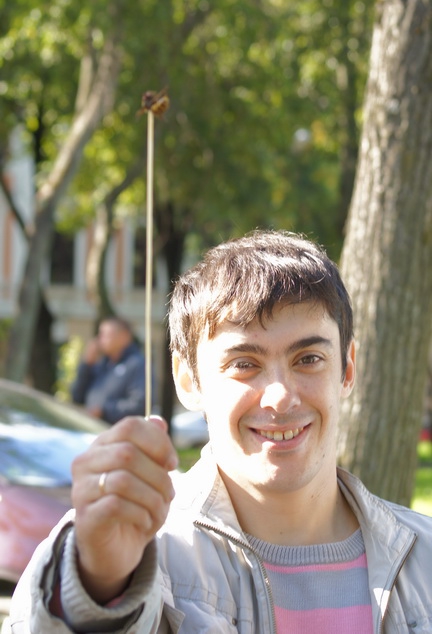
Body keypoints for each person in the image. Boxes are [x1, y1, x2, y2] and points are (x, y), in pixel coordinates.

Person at [8, 230, 432, 633]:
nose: (280, 397)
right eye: (244, 364)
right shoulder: (127, 545)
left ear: (347, 368)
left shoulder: (424, 559)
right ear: (187, 379)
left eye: (308, 359)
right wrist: (98, 584)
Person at [71, 316, 146, 424]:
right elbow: (77, 397)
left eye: (105, 335)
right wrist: (86, 365)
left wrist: (104, 411)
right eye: (100, 335)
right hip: (92, 428)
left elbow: (139, 404)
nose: (99, 340)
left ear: (124, 336)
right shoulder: (102, 364)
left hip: (118, 431)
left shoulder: (137, 364)